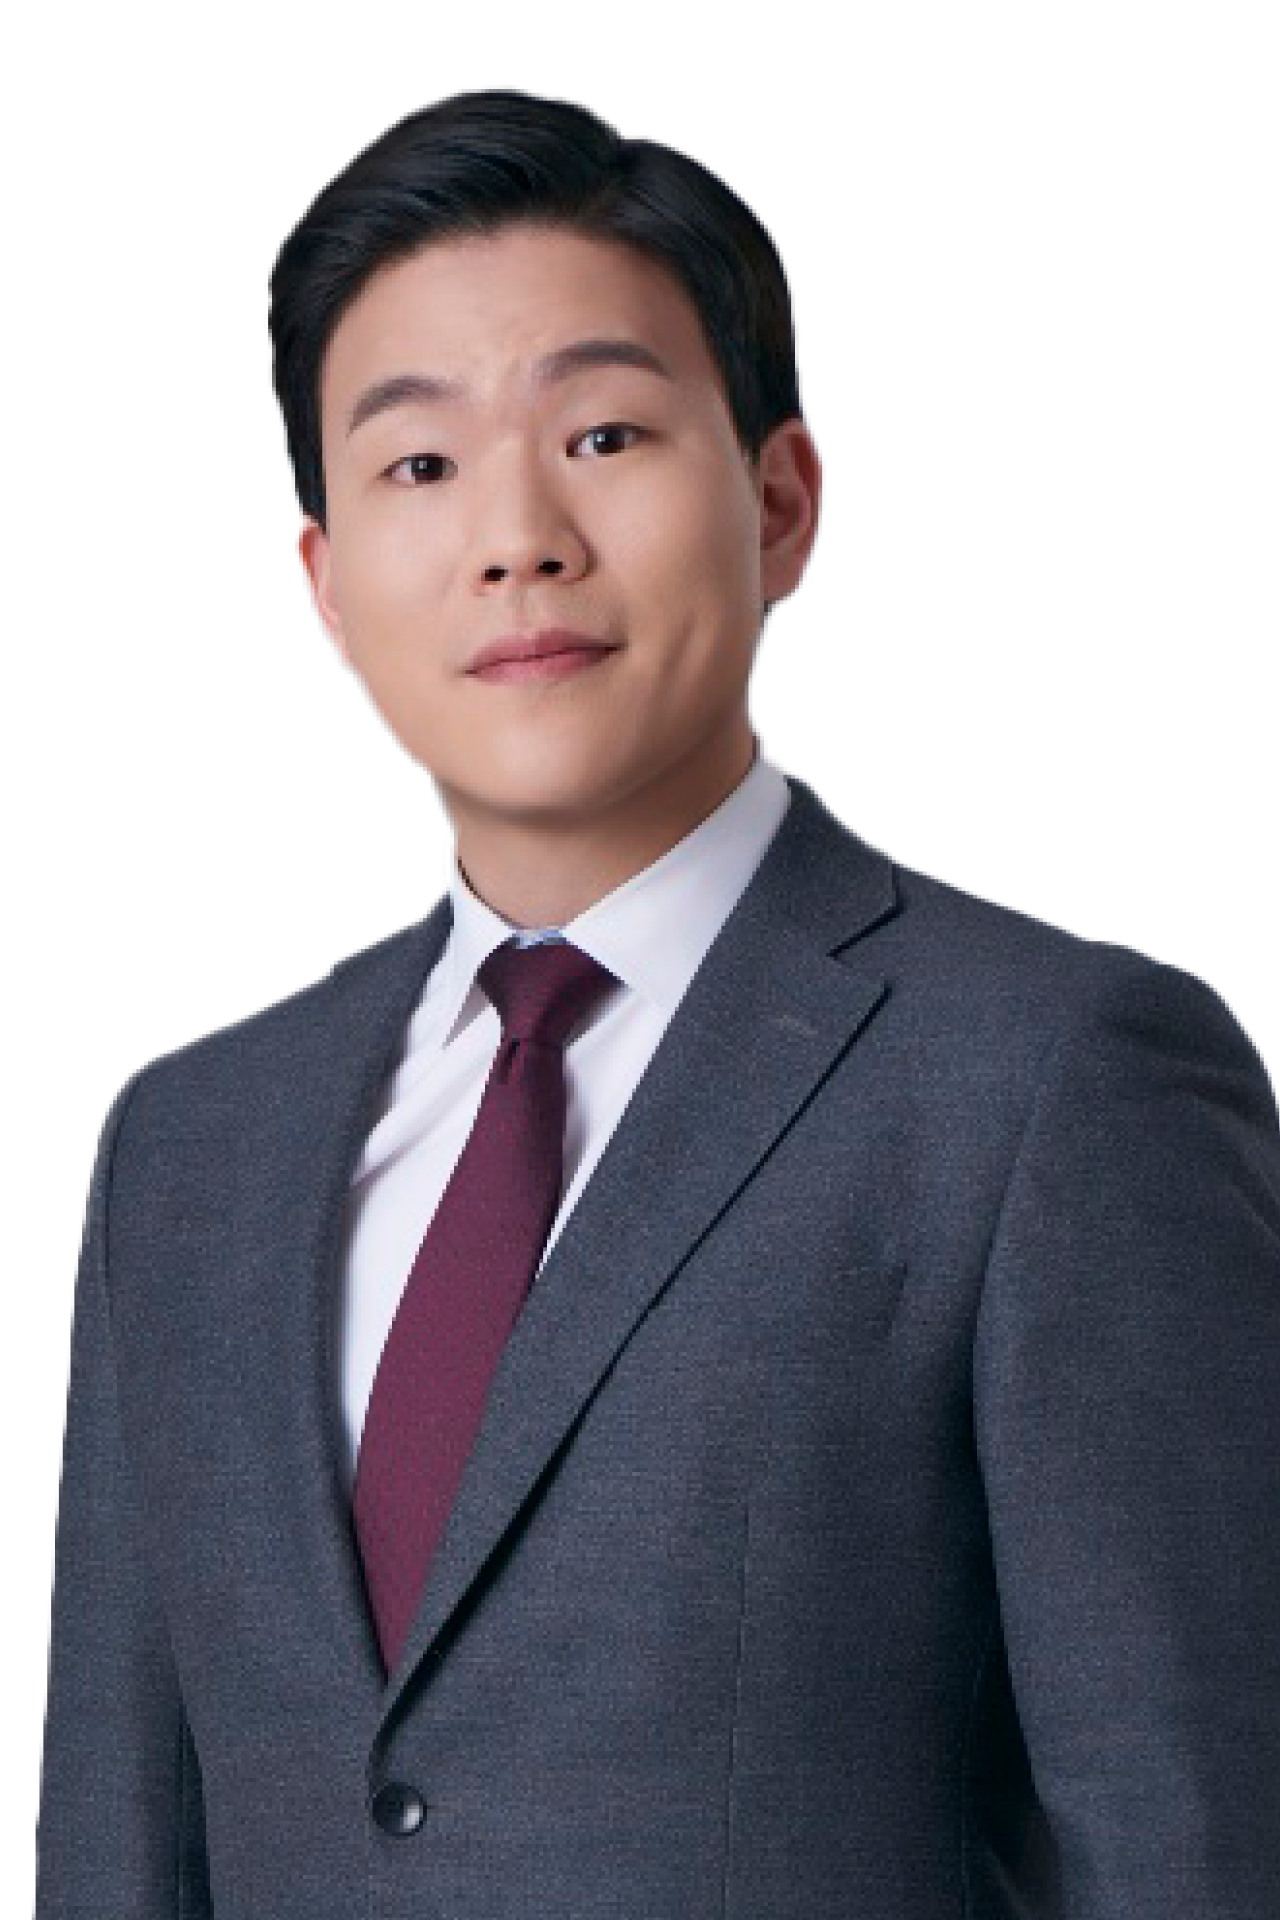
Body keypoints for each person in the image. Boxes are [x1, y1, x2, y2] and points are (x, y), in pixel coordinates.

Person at [35, 87, 1280, 1920]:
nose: (517, 539)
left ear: (782, 503)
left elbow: (1187, 1845)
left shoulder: (1054, 1080)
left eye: (604, 434)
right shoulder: (187, 1146)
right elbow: (119, 1845)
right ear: (323, 581)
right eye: (419, 465)